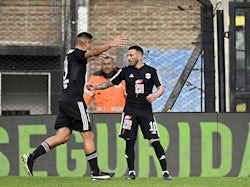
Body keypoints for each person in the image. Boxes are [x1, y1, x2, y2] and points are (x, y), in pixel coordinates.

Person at [21, 32, 127, 180]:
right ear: (86, 43)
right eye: (90, 45)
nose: (90, 48)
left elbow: (78, 66)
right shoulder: (78, 53)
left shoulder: (70, 55)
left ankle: (31, 156)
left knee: (63, 136)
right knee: (88, 134)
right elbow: (92, 52)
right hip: (74, 100)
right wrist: (111, 44)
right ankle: (96, 172)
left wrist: (89, 59)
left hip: (65, 100)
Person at [86, 45, 172, 180]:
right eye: (128, 56)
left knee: (154, 140)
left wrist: (156, 95)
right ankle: (131, 172)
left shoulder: (151, 71)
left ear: (139, 56)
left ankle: (165, 172)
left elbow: (161, 87)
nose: (129, 58)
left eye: (131, 55)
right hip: (130, 112)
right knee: (129, 141)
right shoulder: (125, 71)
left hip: (146, 112)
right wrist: (95, 87)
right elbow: (110, 83)